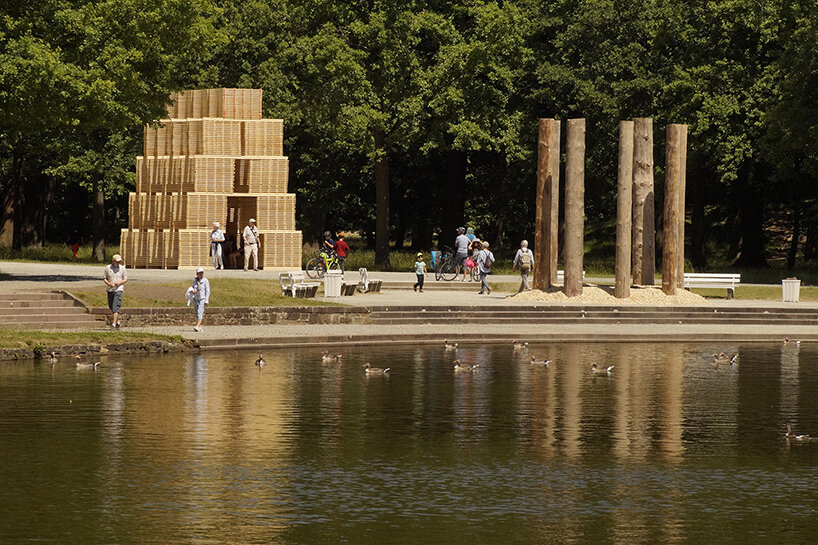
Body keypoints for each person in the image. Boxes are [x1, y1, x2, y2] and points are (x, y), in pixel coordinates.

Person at [103, 254, 128, 328]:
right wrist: (108, 283)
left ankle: (113, 324)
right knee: (111, 306)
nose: (119, 262)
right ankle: (117, 321)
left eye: (119, 261)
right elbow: (105, 278)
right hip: (110, 289)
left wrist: (119, 283)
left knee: (116, 306)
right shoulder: (108, 268)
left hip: (118, 289)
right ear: (113, 261)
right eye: (117, 261)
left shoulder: (122, 268)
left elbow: (125, 278)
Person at [191, 267, 210, 332]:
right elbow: (193, 287)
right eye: (199, 273)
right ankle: (199, 326)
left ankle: (197, 325)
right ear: (197, 273)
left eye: (202, 273)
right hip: (196, 298)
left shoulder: (205, 280)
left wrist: (206, 300)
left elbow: (207, 291)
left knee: (200, 312)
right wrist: (192, 291)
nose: (201, 274)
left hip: (202, 298)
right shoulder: (194, 280)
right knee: (196, 312)